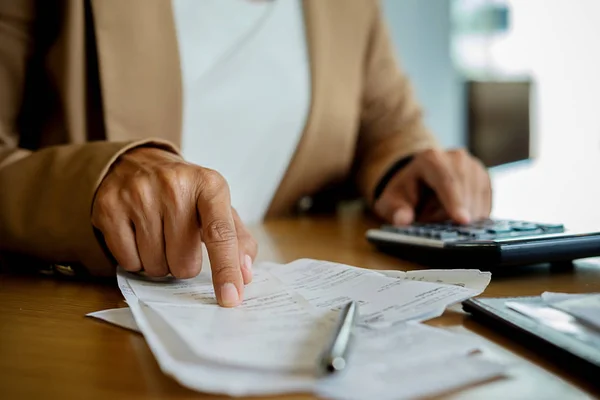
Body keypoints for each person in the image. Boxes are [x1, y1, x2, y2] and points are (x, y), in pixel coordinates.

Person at [0, 0, 491, 307]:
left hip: (273, 308)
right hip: (69, 315)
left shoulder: (352, 8)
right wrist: (97, 179)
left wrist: (406, 168)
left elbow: (389, 124)